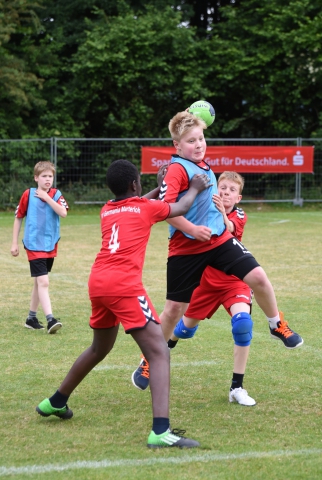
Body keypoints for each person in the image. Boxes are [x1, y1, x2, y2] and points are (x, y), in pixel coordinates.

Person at [35, 159, 211, 449]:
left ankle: (55, 401)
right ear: (133, 184)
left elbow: (139, 202)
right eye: (139, 182)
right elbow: (179, 208)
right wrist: (193, 186)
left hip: (98, 282)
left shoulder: (107, 209)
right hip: (123, 286)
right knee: (159, 353)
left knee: (99, 348)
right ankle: (161, 432)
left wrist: (156, 187)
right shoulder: (144, 207)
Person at [132, 111, 303, 391]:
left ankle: (276, 324)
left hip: (219, 240)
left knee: (259, 278)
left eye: (201, 138)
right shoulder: (177, 169)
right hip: (186, 247)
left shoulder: (202, 163)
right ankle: (149, 358)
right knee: (174, 309)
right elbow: (165, 211)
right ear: (177, 145)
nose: (198, 144)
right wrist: (191, 228)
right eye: (190, 141)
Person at [167, 171, 255, 406]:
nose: (226, 192)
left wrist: (222, 214)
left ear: (238, 198)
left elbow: (229, 230)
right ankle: (161, 351)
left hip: (233, 282)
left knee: (243, 323)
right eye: (222, 188)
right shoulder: (203, 209)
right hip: (204, 283)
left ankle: (237, 387)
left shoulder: (239, 214)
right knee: (184, 330)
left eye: (232, 190)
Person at [11, 161, 68, 333]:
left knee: (38, 282)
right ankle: (50, 320)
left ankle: (31, 317)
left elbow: (63, 213)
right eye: (44, 176)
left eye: (50, 176)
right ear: (36, 178)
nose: (47, 179)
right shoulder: (28, 194)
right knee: (43, 281)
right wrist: (14, 242)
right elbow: (19, 216)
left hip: (50, 244)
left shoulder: (56, 194)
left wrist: (48, 198)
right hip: (34, 245)